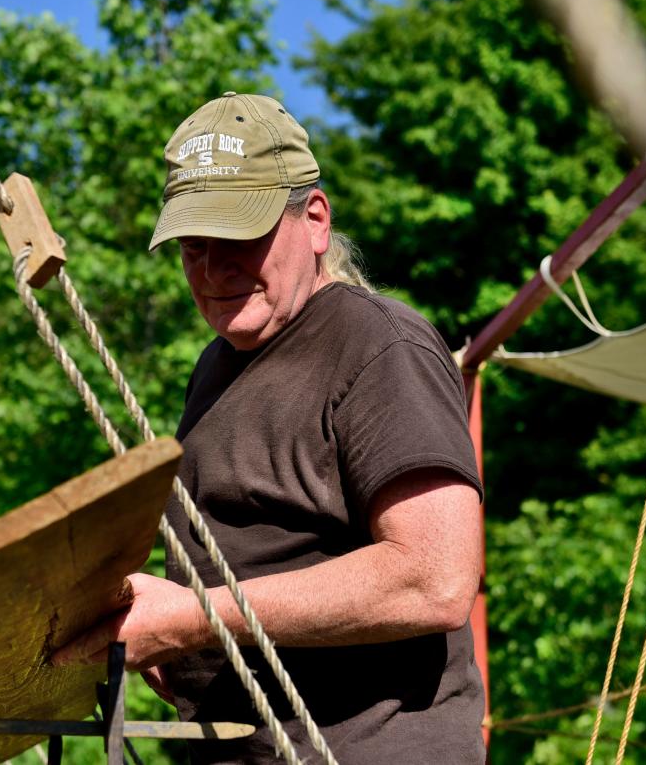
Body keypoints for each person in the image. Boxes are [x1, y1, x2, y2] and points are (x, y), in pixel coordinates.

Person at [53, 92, 485, 763]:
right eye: (193, 246)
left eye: (239, 237)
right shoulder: (217, 368)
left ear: (314, 220)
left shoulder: (378, 344)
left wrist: (194, 620)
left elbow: (433, 580)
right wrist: (167, 645)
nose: (213, 269)